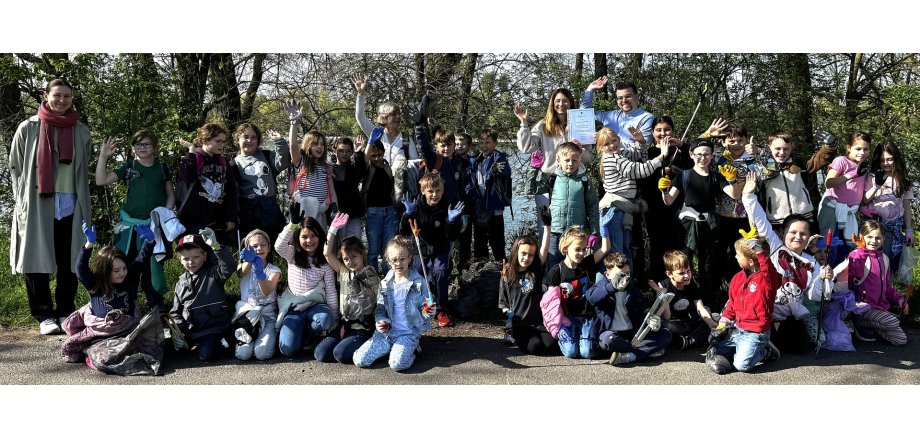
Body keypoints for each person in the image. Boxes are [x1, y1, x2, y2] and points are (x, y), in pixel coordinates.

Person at [10, 78, 94, 335]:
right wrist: (22, 200)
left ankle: (65, 311)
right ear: (46, 96)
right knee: (36, 258)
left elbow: (86, 163)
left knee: (69, 258)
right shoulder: (29, 127)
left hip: (71, 201)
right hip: (38, 203)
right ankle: (43, 314)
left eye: (67, 96)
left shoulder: (81, 130)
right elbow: (15, 164)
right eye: (57, 95)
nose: (62, 100)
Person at [740, 172, 833, 353]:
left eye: (803, 234)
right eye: (793, 232)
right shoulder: (776, 247)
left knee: (800, 347)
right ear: (783, 233)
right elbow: (760, 221)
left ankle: (772, 341)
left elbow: (815, 296)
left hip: (791, 314)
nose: (798, 237)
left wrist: (823, 279)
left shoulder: (811, 262)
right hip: (766, 309)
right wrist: (749, 195)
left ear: (808, 238)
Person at [95, 129, 175, 310]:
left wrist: (165, 213)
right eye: (138, 144)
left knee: (152, 265)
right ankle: (125, 304)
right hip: (128, 228)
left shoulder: (162, 168)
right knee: (126, 265)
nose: (142, 147)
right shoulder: (129, 167)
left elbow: (170, 195)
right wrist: (103, 156)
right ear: (132, 149)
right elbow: (101, 180)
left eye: (147, 144)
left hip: (153, 226)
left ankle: (156, 304)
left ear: (155, 147)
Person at [660, 138, 741, 307]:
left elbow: (735, 195)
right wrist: (663, 190)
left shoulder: (716, 177)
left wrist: (732, 180)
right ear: (691, 154)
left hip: (709, 224)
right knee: (682, 262)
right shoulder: (683, 175)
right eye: (699, 155)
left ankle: (707, 302)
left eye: (706, 155)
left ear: (712, 156)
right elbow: (668, 201)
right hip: (687, 224)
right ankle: (680, 301)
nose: (702, 158)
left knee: (708, 265)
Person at [61, 223, 155, 363]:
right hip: (102, 334)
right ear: (104, 271)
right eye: (116, 271)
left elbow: (142, 259)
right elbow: (81, 269)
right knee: (106, 359)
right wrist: (89, 244)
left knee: (150, 350)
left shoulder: (129, 279)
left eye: (124, 268)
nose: (122, 273)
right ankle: (90, 352)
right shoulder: (95, 285)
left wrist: (149, 241)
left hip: (128, 329)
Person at [353, 236, 436, 372]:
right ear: (388, 261)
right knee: (360, 360)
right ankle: (390, 348)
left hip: (407, 334)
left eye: (402, 259)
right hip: (387, 333)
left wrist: (429, 312)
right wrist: (381, 321)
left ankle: (413, 349)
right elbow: (380, 309)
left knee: (397, 364)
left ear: (409, 258)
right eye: (394, 260)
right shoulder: (385, 283)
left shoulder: (419, 283)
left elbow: (426, 308)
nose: (398, 263)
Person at [705, 235, 782, 374]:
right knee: (715, 348)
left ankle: (765, 351)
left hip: (756, 333)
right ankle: (746, 350)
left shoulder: (767, 279)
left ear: (751, 262)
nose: (735, 257)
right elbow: (731, 304)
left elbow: (767, 267)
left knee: (742, 365)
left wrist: (758, 248)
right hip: (738, 329)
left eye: (738, 254)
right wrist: (723, 323)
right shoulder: (737, 278)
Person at [634, 116, 693, 286]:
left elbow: (693, 165)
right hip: (654, 208)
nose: (663, 133)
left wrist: (681, 145)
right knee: (657, 246)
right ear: (652, 133)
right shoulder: (649, 153)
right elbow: (642, 177)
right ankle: (659, 284)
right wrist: (660, 171)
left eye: (666, 129)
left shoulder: (680, 152)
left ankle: (682, 284)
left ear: (673, 131)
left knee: (679, 246)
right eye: (658, 130)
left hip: (678, 207)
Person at [399, 173, 464, 327]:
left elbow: (451, 236)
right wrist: (407, 214)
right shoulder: (416, 206)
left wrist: (450, 221)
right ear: (423, 191)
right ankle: (420, 305)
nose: (435, 195)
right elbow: (403, 231)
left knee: (440, 272)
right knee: (418, 273)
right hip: (420, 248)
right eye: (431, 191)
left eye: (438, 191)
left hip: (440, 247)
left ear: (442, 190)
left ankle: (442, 309)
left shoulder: (447, 205)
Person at [597, 127, 669, 265]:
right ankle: (614, 283)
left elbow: (638, 155)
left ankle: (626, 283)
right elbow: (639, 170)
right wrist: (662, 155)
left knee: (625, 248)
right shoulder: (614, 158)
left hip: (623, 207)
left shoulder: (620, 153)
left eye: (614, 140)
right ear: (601, 148)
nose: (612, 145)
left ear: (619, 139)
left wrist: (641, 142)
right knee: (617, 252)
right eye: (606, 144)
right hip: (614, 209)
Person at [515, 88, 591, 217]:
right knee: (546, 225)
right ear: (552, 103)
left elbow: (589, 159)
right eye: (558, 101)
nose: (561, 104)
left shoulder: (580, 124)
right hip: (548, 180)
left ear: (571, 102)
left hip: (574, 180)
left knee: (572, 225)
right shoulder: (543, 125)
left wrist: (580, 151)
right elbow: (526, 147)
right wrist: (524, 124)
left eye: (565, 101)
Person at [274, 204, 338, 357]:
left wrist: (334, 318)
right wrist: (292, 224)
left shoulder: (325, 263)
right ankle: (299, 332)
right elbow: (278, 246)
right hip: (294, 308)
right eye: (304, 237)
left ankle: (311, 333)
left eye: (313, 235)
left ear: (319, 236)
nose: (309, 240)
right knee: (288, 350)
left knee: (325, 320)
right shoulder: (292, 255)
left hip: (315, 306)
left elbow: (330, 291)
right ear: (298, 238)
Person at [587, 252, 671, 366]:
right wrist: (612, 287)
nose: (625, 278)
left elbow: (643, 311)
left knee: (665, 334)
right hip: (612, 335)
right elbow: (592, 298)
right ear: (607, 274)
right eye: (620, 275)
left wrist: (652, 322)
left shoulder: (633, 289)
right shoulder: (602, 286)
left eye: (627, 273)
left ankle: (630, 355)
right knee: (608, 340)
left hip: (632, 334)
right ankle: (641, 352)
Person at [317, 213, 380, 364]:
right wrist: (333, 229)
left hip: (363, 326)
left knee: (340, 355)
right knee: (321, 354)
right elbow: (327, 253)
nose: (350, 262)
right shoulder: (344, 273)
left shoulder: (370, 275)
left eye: (354, 257)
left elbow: (378, 303)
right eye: (346, 258)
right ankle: (346, 341)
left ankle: (371, 344)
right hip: (344, 324)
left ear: (362, 255)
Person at [544, 225, 611, 359]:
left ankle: (590, 340)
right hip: (567, 319)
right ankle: (569, 339)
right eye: (577, 249)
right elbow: (550, 304)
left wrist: (604, 229)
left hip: (587, 317)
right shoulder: (557, 271)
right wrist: (558, 323)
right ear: (565, 249)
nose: (581, 253)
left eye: (584, 249)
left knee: (586, 353)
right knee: (571, 352)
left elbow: (605, 248)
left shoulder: (587, 264)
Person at [169, 229, 235, 362]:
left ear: (204, 256)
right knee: (167, 348)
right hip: (192, 332)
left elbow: (229, 266)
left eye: (196, 257)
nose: (191, 262)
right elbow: (175, 313)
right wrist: (177, 333)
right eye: (186, 258)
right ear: (180, 260)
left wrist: (216, 247)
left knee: (205, 355)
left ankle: (227, 340)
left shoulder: (214, 274)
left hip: (214, 329)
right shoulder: (180, 283)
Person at [499, 206, 555, 355]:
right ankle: (514, 337)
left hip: (537, 324)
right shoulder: (508, 272)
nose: (526, 258)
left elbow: (544, 249)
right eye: (523, 253)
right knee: (535, 347)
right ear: (516, 252)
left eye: (530, 255)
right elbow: (502, 300)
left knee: (551, 346)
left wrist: (547, 226)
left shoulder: (534, 271)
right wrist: (507, 313)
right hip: (519, 324)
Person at [710, 122, 759, 286]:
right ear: (723, 142)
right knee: (718, 254)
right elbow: (694, 150)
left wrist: (760, 152)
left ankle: (742, 287)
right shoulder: (717, 158)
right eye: (731, 141)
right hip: (722, 215)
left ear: (746, 140)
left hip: (747, 216)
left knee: (743, 255)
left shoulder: (752, 158)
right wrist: (708, 134)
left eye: (740, 140)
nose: (736, 145)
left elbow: (772, 170)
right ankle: (716, 290)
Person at [176, 123, 239, 247]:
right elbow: (186, 180)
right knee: (198, 254)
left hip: (218, 219)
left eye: (223, 142)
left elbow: (231, 191)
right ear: (205, 140)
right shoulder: (194, 157)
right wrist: (191, 152)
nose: (222, 145)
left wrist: (231, 216)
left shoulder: (223, 162)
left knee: (218, 255)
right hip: (196, 219)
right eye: (218, 141)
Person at [848, 220, 909, 345]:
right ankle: (858, 323)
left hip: (880, 308)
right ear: (861, 237)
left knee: (901, 340)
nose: (874, 241)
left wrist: (900, 300)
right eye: (869, 237)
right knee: (891, 321)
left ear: (883, 238)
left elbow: (887, 288)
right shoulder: (856, 255)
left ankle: (873, 327)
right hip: (861, 308)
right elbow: (855, 275)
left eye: (878, 238)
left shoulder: (884, 258)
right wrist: (862, 251)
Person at [231, 123, 290, 243]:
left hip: (270, 206)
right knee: (253, 244)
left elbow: (284, 163)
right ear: (238, 139)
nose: (249, 140)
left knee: (276, 243)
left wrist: (279, 141)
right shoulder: (233, 164)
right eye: (245, 137)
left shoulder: (267, 155)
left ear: (258, 140)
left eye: (253, 137)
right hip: (248, 210)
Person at [545, 142, 600, 271]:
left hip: (576, 232)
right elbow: (533, 190)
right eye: (567, 160)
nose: (570, 163)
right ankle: (550, 289)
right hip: (556, 231)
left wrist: (594, 232)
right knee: (553, 265)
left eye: (574, 160)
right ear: (558, 160)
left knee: (576, 267)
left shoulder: (584, 181)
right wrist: (534, 169)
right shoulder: (552, 179)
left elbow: (593, 207)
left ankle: (578, 290)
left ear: (580, 159)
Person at [285, 100, 338, 231]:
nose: (319, 147)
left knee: (319, 240)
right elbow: (293, 146)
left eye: (322, 144)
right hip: (304, 212)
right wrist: (294, 123)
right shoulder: (301, 162)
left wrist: (335, 207)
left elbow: (332, 191)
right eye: (315, 144)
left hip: (320, 212)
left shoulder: (326, 167)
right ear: (307, 145)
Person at [817, 132, 873, 254]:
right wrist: (852, 174)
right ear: (849, 148)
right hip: (832, 209)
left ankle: (844, 272)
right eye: (858, 149)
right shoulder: (841, 161)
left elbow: (860, 194)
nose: (862, 152)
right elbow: (829, 183)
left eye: (866, 149)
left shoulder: (864, 167)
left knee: (846, 249)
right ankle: (825, 271)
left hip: (850, 213)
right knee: (830, 246)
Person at [862, 141, 915, 268]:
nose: (885, 163)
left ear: (896, 159)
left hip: (894, 225)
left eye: (889, 159)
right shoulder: (872, 176)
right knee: (875, 261)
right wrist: (877, 186)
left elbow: (906, 206)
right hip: (876, 226)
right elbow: (864, 200)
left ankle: (889, 285)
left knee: (891, 259)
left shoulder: (903, 180)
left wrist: (909, 230)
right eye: (882, 160)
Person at [233, 229, 282, 361]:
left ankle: (271, 336)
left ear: (269, 247)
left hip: (268, 317)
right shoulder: (243, 267)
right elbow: (241, 273)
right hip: (247, 318)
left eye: (263, 245)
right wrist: (249, 261)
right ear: (248, 248)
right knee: (243, 355)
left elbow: (266, 291)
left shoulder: (274, 270)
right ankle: (247, 339)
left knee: (262, 354)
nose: (259, 248)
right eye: (254, 246)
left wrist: (259, 272)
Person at [754, 130, 815, 232]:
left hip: (804, 215)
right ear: (769, 148)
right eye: (778, 148)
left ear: (792, 147)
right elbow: (771, 170)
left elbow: (818, 160)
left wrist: (828, 147)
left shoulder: (799, 163)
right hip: (777, 220)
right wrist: (758, 151)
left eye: (786, 149)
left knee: (805, 245)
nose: (782, 152)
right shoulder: (765, 166)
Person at [354, 135, 398, 274]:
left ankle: (387, 276)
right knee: (373, 250)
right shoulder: (368, 169)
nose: (377, 158)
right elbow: (364, 161)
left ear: (383, 153)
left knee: (388, 248)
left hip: (389, 211)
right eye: (373, 155)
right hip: (373, 212)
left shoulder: (387, 168)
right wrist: (368, 144)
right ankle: (373, 278)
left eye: (379, 154)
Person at [657, 250, 718, 351]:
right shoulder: (664, 286)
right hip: (674, 324)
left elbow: (700, 308)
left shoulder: (691, 284)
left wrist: (711, 323)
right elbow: (666, 317)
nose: (686, 276)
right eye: (681, 273)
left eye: (688, 271)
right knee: (663, 325)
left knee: (711, 315)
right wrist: (663, 295)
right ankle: (695, 338)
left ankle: (688, 341)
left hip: (688, 322)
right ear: (669, 274)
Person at [470, 128, 511, 262]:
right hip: (479, 209)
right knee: (480, 249)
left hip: (494, 211)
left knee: (498, 247)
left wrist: (494, 170)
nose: (484, 145)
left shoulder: (500, 157)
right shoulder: (477, 159)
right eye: (481, 142)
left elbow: (505, 172)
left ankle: (503, 276)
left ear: (495, 143)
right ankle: (482, 277)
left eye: (487, 142)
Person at [580, 77, 655, 148]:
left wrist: (606, 139)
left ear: (637, 96)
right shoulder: (611, 115)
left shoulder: (647, 119)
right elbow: (584, 114)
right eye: (620, 98)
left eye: (628, 96)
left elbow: (643, 147)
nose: (624, 101)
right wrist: (590, 89)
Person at [329, 136, 364, 241]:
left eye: (348, 151)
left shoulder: (353, 169)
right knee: (338, 245)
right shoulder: (329, 169)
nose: (344, 154)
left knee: (354, 243)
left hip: (353, 214)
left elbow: (361, 171)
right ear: (335, 151)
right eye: (341, 151)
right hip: (336, 214)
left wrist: (358, 152)